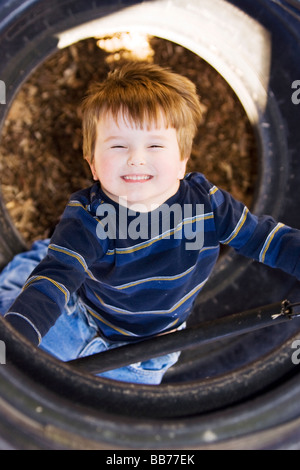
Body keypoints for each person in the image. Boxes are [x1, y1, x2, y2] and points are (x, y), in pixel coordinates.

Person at [1, 62, 300, 384]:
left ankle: (49, 251)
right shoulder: (88, 217)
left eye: (155, 145)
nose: (136, 158)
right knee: (19, 310)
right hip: (78, 321)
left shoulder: (207, 204)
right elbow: (54, 282)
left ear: (182, 161)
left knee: (115, 413)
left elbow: (268, 239)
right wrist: (16, 341)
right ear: (93, 166)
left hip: (151, 350)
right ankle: (35, 260)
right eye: (118, 146)